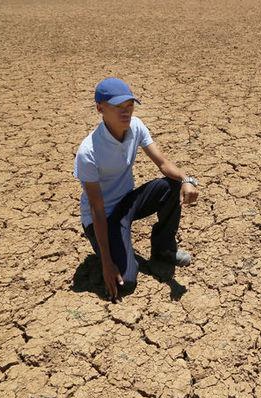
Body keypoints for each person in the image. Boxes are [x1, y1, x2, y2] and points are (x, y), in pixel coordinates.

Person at [73, 77, 199, 301]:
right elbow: (97, 209)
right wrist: (107, 263)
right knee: (127, 283)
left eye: (129, 106)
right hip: (101, 217)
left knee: (172, 185)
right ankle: (104, 255)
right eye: (118, 107)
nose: (126, 112)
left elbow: (163, 163)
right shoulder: (89, 152)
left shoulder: (136, 127)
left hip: (127, 203)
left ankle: (164, 251)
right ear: (100, 108)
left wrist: (187, 179)